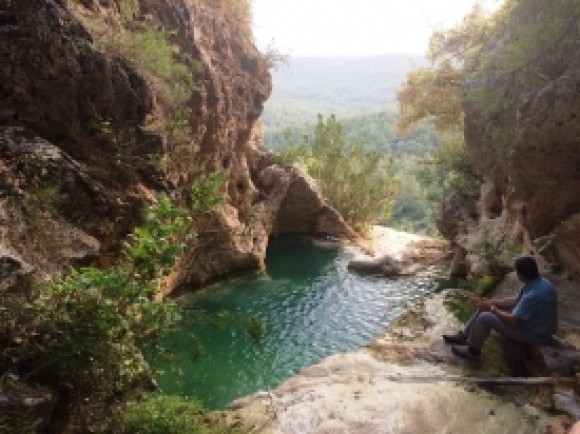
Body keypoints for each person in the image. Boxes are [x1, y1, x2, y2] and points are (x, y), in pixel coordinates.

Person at [443, 256, 558, 361]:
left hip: (534, 334)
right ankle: (464, 336)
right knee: (485, 308)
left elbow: (512, 320)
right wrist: (488, 302)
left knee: (485, 317)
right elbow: (514, 301)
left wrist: (492, 308)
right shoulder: (540, 283)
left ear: (520, 275)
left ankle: (473, 352)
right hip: (533, 325)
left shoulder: (533, 296)